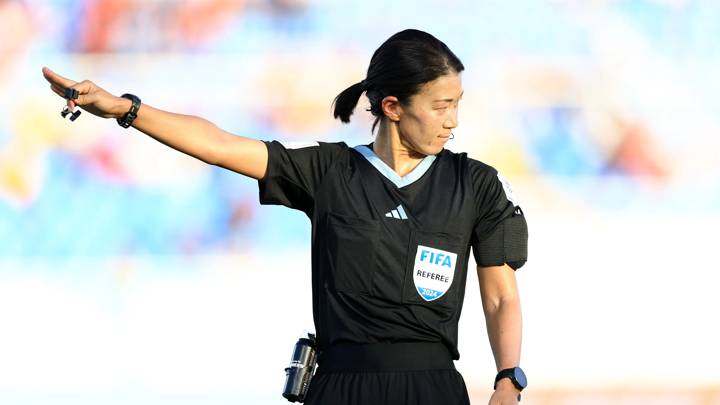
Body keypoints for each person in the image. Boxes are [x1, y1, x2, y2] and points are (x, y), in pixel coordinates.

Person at [42, 29, 528, 405]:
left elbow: (500, 294)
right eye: (441, 106)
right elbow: (220, 146)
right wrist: (123, 108)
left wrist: (508, 376)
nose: (453, 120)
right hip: (341, 386)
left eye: (457, 104)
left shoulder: (476, 183)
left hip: (434, 389)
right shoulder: (330, 171)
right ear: (393, 107)